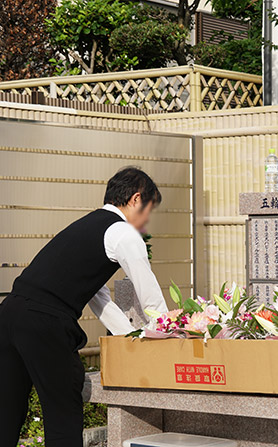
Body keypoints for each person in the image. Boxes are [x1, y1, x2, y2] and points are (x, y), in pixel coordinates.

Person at [0, 167, 169, 447]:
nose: (147, 221)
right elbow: (149, 296)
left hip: (9, 315)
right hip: (44, 323)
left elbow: (97, 296)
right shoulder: (123, 233)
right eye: (149, 210)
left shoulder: (84, 226)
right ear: (136, 199)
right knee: (63, 417)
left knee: (5, 415)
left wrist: (128, 337)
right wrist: (166, 332)